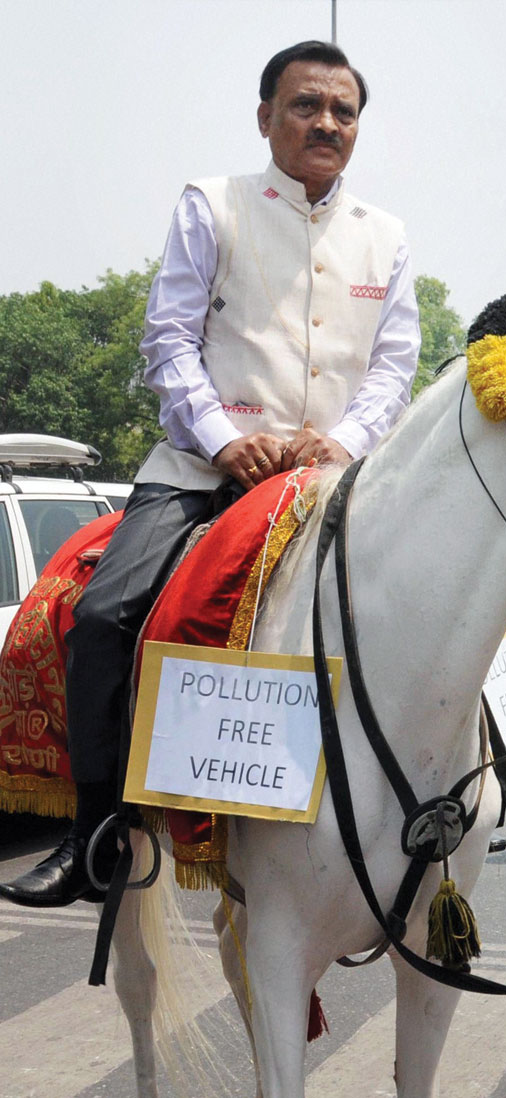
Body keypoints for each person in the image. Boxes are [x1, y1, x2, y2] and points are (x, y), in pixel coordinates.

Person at [0, 41, 420, 909]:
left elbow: (394, 368)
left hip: (334, 482)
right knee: (107, 617)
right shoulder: (213, 205)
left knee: (447, 605)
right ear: (265, 117)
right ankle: (96, 832)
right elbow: (167, 339)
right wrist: (227, 439)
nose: (327, 123)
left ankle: (447, 808)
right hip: (202, 470)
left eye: (344, 112)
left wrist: (341, 440)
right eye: (307, 105)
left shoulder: (387, 237)